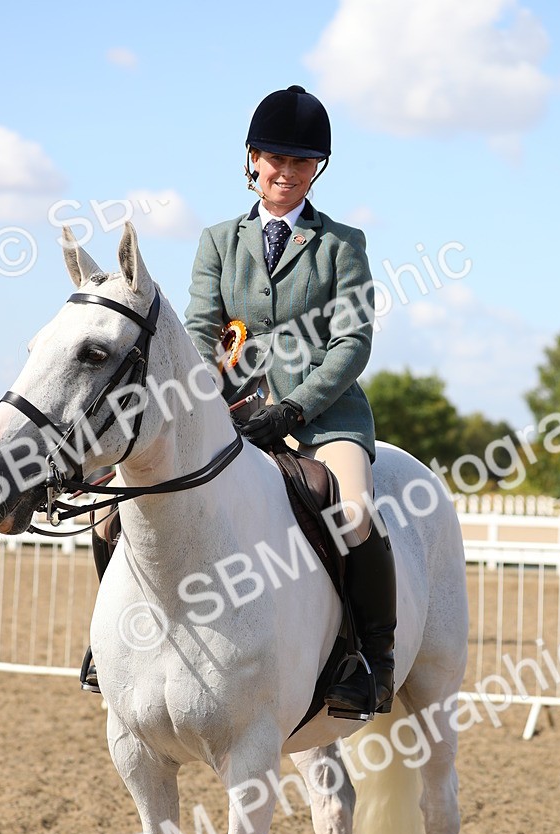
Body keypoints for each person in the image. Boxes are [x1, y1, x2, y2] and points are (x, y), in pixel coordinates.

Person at [184, 84, 396, 718]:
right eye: (276, 159)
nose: (287, 173)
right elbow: (200, 329)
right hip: (233, 416)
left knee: (353, 514)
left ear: (317, 168)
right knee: (125, 508)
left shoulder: (341, 245)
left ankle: (370, 663)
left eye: (302, 163)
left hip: (324, 419)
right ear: (253, 159)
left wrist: (296, 408)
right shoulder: (219, 241)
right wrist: (209, 395)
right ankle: (110, 649)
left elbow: (351, 341)